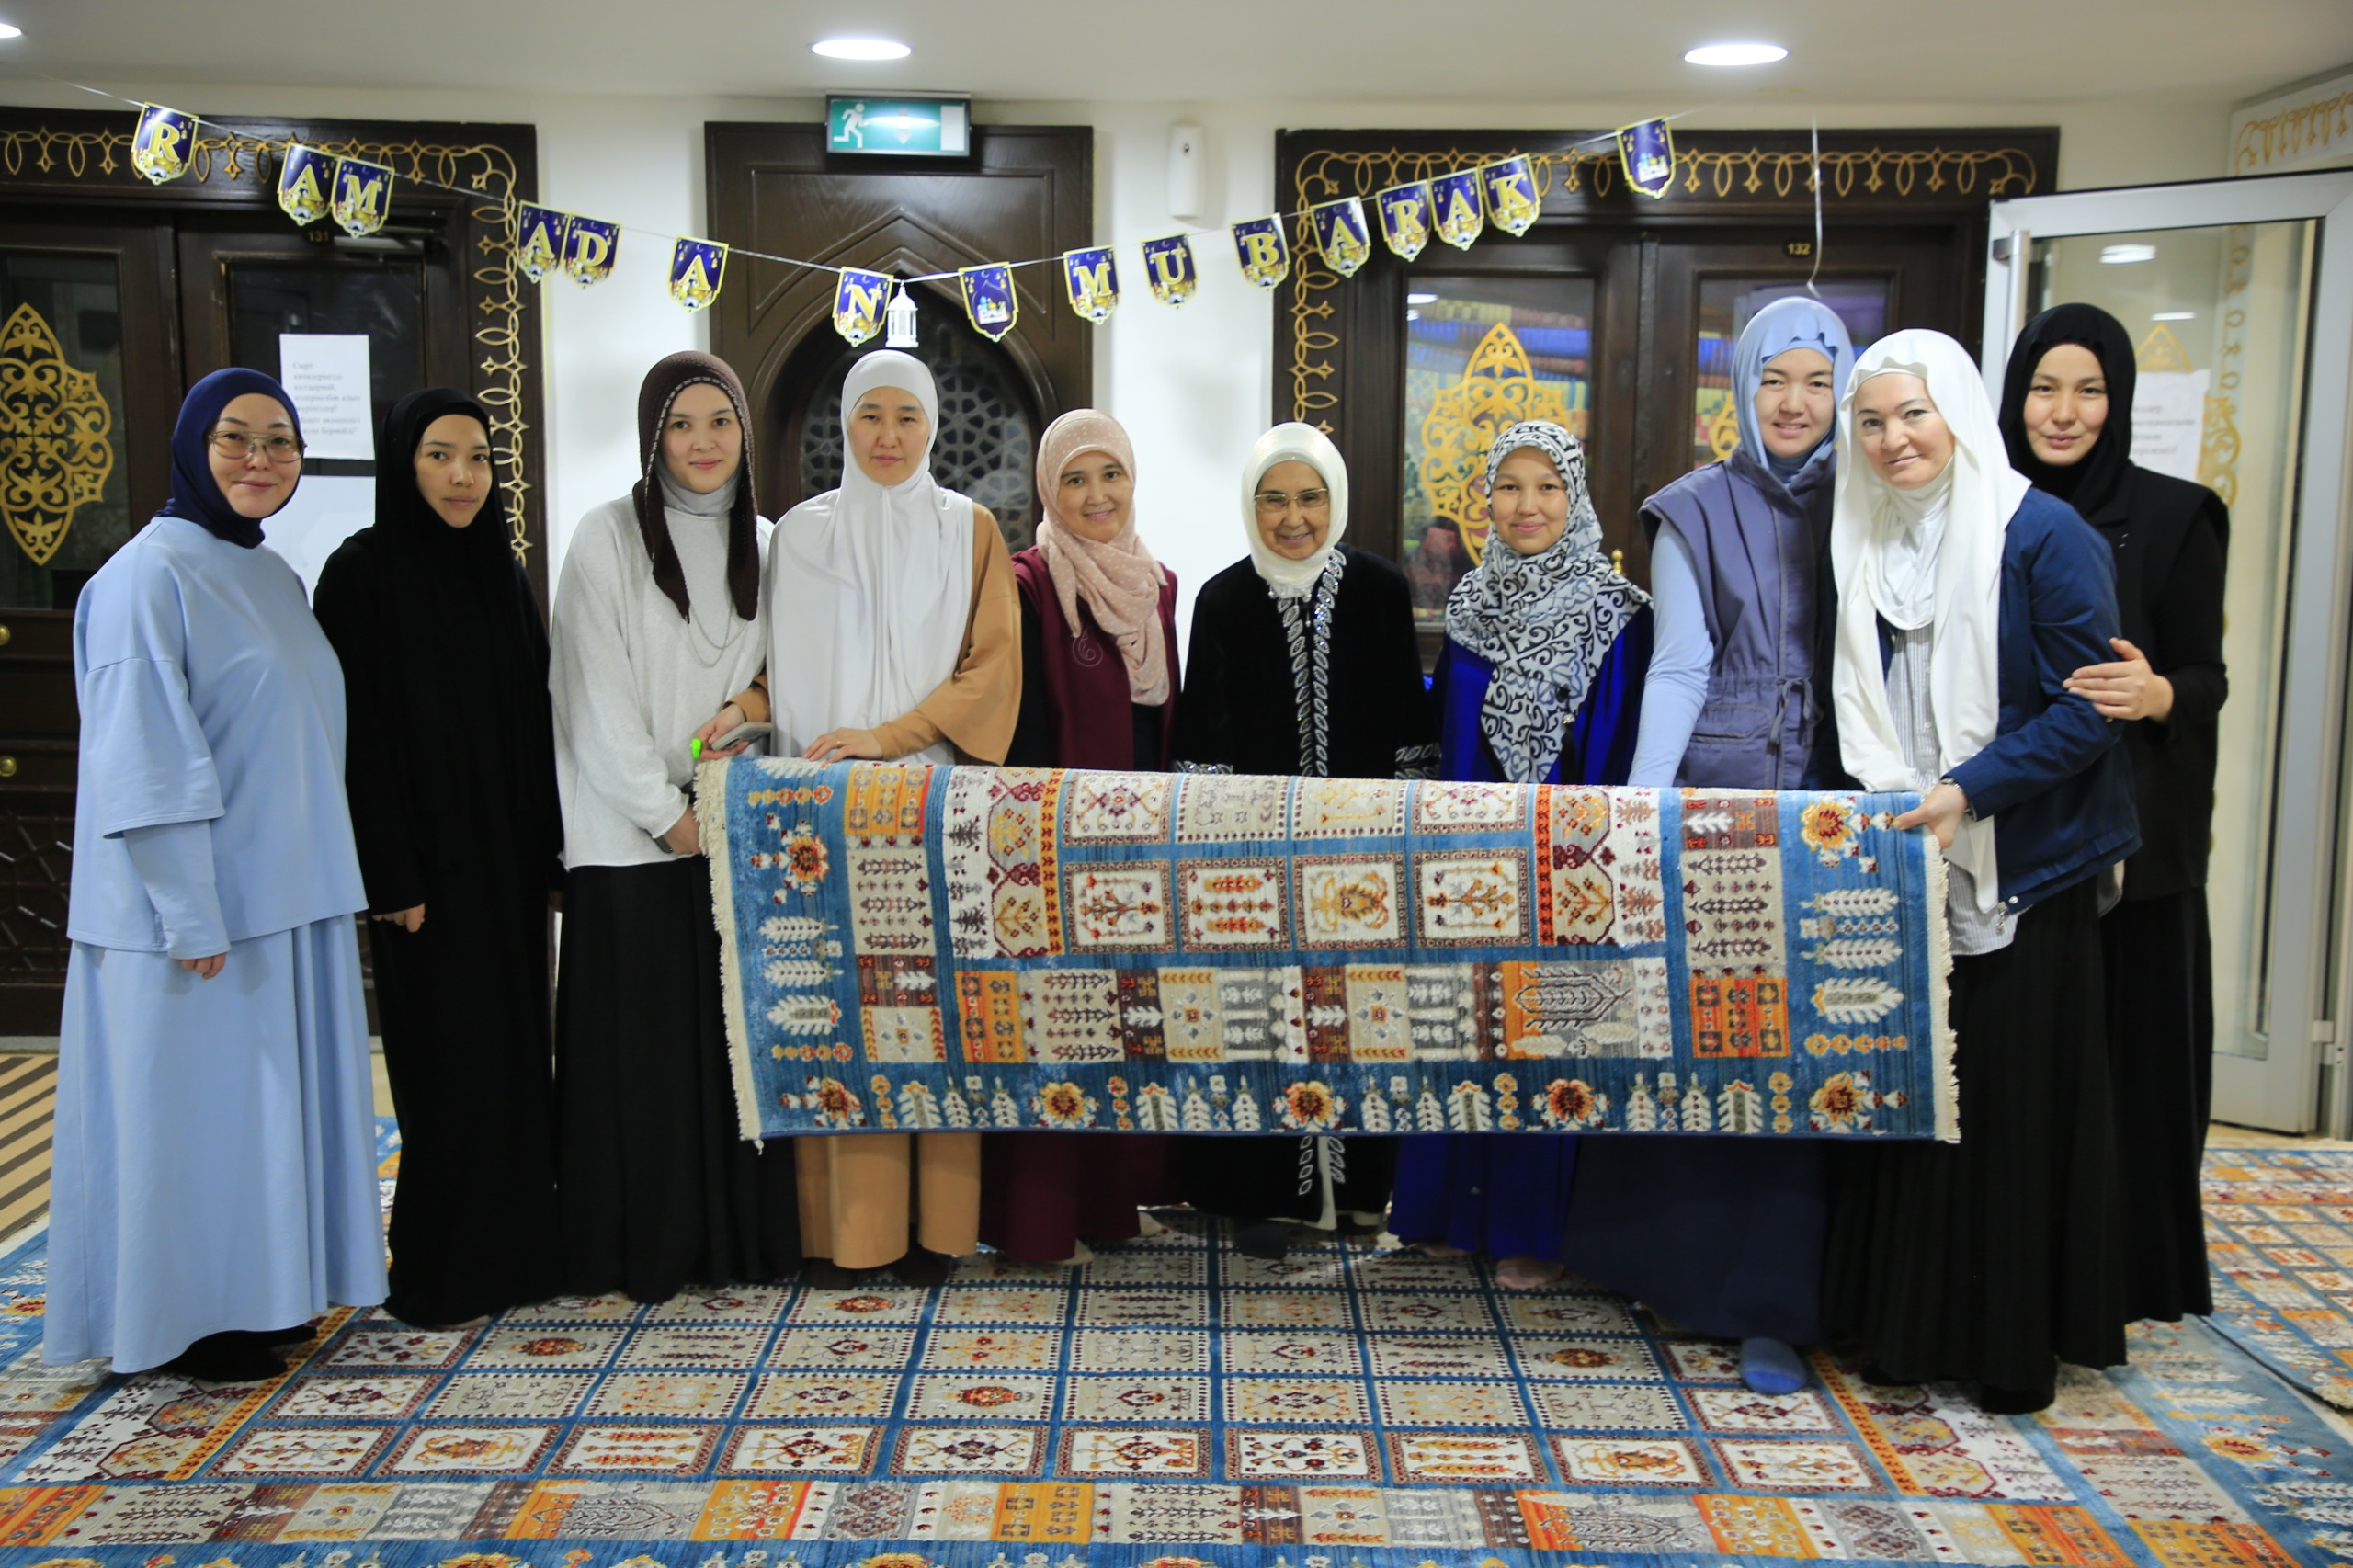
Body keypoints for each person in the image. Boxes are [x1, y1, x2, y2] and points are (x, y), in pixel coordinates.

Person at [1819, 329, 2139, 1415]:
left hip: (2022, 868)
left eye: (1912, 413)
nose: (1892, 439)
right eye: (1871, 421)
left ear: (1955, 412)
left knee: (2003, 1112)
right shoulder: (1862, 532)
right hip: (1912, 857)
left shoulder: (2040, 533)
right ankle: (1907, 1327)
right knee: (1916, 1097)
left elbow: (2089, 709)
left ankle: (2005, 1344)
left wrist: (1969, 789)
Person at [49, 369, 384, 1381]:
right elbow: (144, 759)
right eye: (235, 438)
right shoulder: (145, 578)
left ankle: (259, 1298)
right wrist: (188, 914)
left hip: (280, 898)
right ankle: (182, 1324)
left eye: (280, 441)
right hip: (193, 918)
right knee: (189, 1125)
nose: (259, 459)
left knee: (257, 1126)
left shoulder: (268, 572)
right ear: (194, 447)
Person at [1562, 299, 1854, 1395]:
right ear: (1739, 388)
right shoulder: (1691, 506)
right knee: (1703, 1040)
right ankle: (1672, 1269)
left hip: (1842, 807)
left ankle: (1779, 1302)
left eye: (1816, 382)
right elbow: (1680, 665)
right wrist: (1641, 810)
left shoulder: (1873, 489)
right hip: (1719, 809)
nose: (1794, 402)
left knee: (1808, 1057)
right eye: (1773, 379)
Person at [747, 348, 1018, 1288]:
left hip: (930, 811)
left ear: (932, 426)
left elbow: (992, 669)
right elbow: (771, 663)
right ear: (846, 422)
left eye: (908, 416)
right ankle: (843, 1234)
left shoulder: (967, 529)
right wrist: (744, 709)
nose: (889, 436)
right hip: (818, 818)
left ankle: (938, 1230)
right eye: (871, 415)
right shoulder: (798, 536)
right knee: (832, 1015)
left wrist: (888, 738)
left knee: (929, 1018)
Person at [550, 351, 799, 1303]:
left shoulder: (770, 544)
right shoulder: (605, 538)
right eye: (681, 425)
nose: (702, 443)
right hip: (630, 846)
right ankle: (642, 1250)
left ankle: (733, 1243)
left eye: (720, 422)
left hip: (734, 838)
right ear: (653, 437)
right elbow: (593, 702)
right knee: (646, 1066)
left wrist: (748, 717)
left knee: (733, 1057)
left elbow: (790, 679)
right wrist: (670, 818)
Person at [313, 389, 563, 1328]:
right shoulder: (361, 575)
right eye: (439, 456)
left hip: (504, 865)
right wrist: (389, 873)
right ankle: (441, 1266)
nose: (462, 477)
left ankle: (521, 1255)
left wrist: (550, 854)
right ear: (402, 464)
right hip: (422, 873)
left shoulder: (499, 571)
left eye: (478, 458)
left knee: (513, 1057)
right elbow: (356, 739)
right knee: (446, 1069)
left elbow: (535, 718)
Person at [1999, 303, 2227, 1324]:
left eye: (2088, 390)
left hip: (2134, 838)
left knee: (2129, 1064)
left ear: (2118, 400)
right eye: (2044, 388)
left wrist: (2160, 692)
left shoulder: (2177, 515)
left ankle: (2124, 1275)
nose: (2064, 412)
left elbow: (2206, 674)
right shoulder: (1981, 507)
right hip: (2015, 823)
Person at [1388, 420, 1651, 1290]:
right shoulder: (1469, 605)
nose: (1526, 505)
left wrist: (1577, 855)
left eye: (1547, 487)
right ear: (1486, 500)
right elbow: (1446, 728)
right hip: (1466, 853)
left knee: (1549, 1027)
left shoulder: (1617, 613)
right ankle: (1448, 1213)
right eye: (1508, 486)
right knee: (1460, 1019)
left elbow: (1615, 742)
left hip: (1561, 859)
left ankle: (1533, 1230)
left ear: (1575, 499)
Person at [1170, 422, 1438, 1258]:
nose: (1294, 518)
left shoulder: (1380, 591)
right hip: (1255, 864)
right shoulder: (1222, 600)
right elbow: (1203, 744)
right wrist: (1222, 856)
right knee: (1261, 1019)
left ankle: (1359, 1194)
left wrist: (1397, 838)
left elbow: (1408, 723)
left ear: (1336, 500)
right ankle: (1260, 1194)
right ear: (1251, 507)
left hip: (1362, 857)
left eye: (1311, 498)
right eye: (1274, 500)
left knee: (1365, 1017)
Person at [983, 409, 1177, 1262]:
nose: (1097, 495)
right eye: (1075, 479)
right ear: (1048, 491)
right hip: (1055, 846)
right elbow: (1019, 729)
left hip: (1137, 846)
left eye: (1111, 474)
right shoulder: (1028, 584)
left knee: (1123, 1022)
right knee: (1054, 1027)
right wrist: (1048, 843)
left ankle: (1111, 1204)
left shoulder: (1158, 586)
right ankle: (1038, 1220)